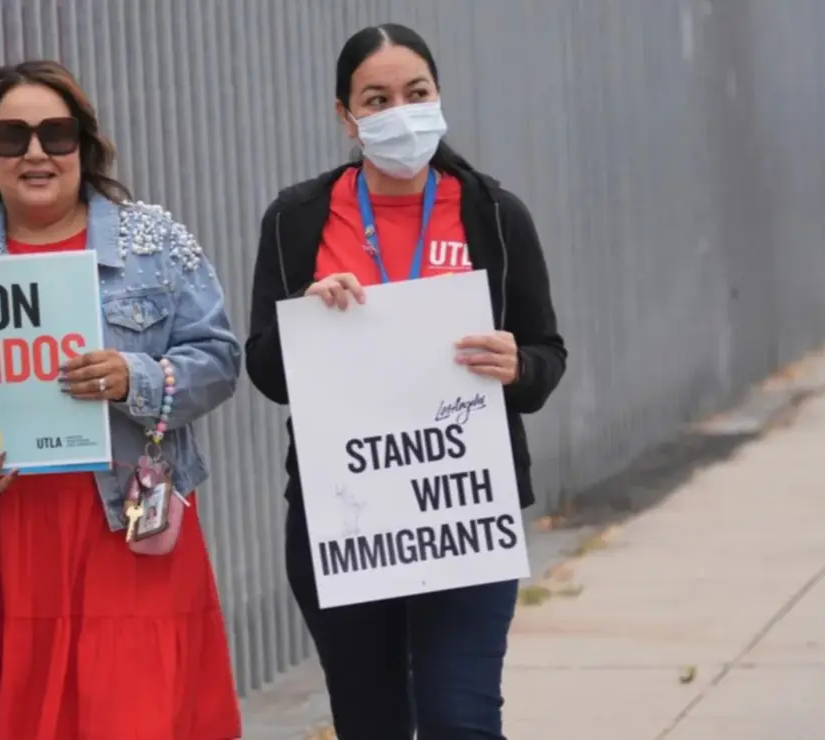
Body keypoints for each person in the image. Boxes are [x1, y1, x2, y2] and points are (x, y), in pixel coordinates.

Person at [245, 24, 568, 740]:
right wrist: (308, 322)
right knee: (372, 723)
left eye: (415, 93)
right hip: (347, 516)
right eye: (376, 98)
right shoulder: (298, 220)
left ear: (437, 97)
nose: (400, 111)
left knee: (462, 720)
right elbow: (263, 366)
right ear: (346, 116)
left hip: (462, 509)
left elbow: (545, 356)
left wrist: (517, 365)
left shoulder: (491, 212)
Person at [0, 60, 242, 740]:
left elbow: (218, 359)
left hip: (129, 533)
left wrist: (136, 378)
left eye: (55, 134)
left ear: (84, 147)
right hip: (1, 544)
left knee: (135, 716)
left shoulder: (155, 245)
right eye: (12, 137)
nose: (35, 153)